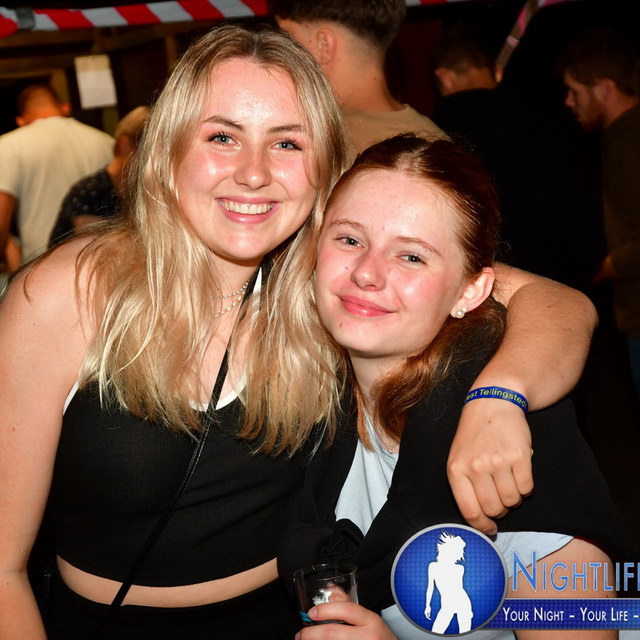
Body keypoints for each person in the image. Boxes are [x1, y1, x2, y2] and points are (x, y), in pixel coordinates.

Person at [0, 23, 597, 640]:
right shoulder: (70, 293)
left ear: (322, 171)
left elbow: (559, 302)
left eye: (286, 143)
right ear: (167, 149)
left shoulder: (333, 284)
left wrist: (500, 395)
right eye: (223, 136)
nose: (253, 173)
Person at [275, 136, 628, 639]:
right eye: (349, 240)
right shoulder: (316, 399)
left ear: (470, 291)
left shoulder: (512, 435)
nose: (367, 273)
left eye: (411, 257)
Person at [432, 23, 603, 289]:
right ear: (495, 71)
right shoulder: (542, 116)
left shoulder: (442, 131)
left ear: (443, 77)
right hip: (568, 273)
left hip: (500, 280)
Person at [559, 26, 640, 397]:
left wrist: (608, 266)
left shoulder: (631, 144)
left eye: (575, 91)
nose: (568, 102)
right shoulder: (620, 139)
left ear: (605, 89)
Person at [268, 0, 446, 154]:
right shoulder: (437, 146)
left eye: (287, 38)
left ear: (323, 45)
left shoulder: (320, 144)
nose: (281, 52)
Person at [0, 84, 114, 265]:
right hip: (103, 259)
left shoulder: (9, 146)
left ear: (20, 121)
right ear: (66, 108)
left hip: (41, 263)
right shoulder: (105, 141)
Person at [48, 106, 150, 248]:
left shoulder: (146, 188)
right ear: (125, 145)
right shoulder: (89, 192)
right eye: (148, 151)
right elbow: (98, 249)